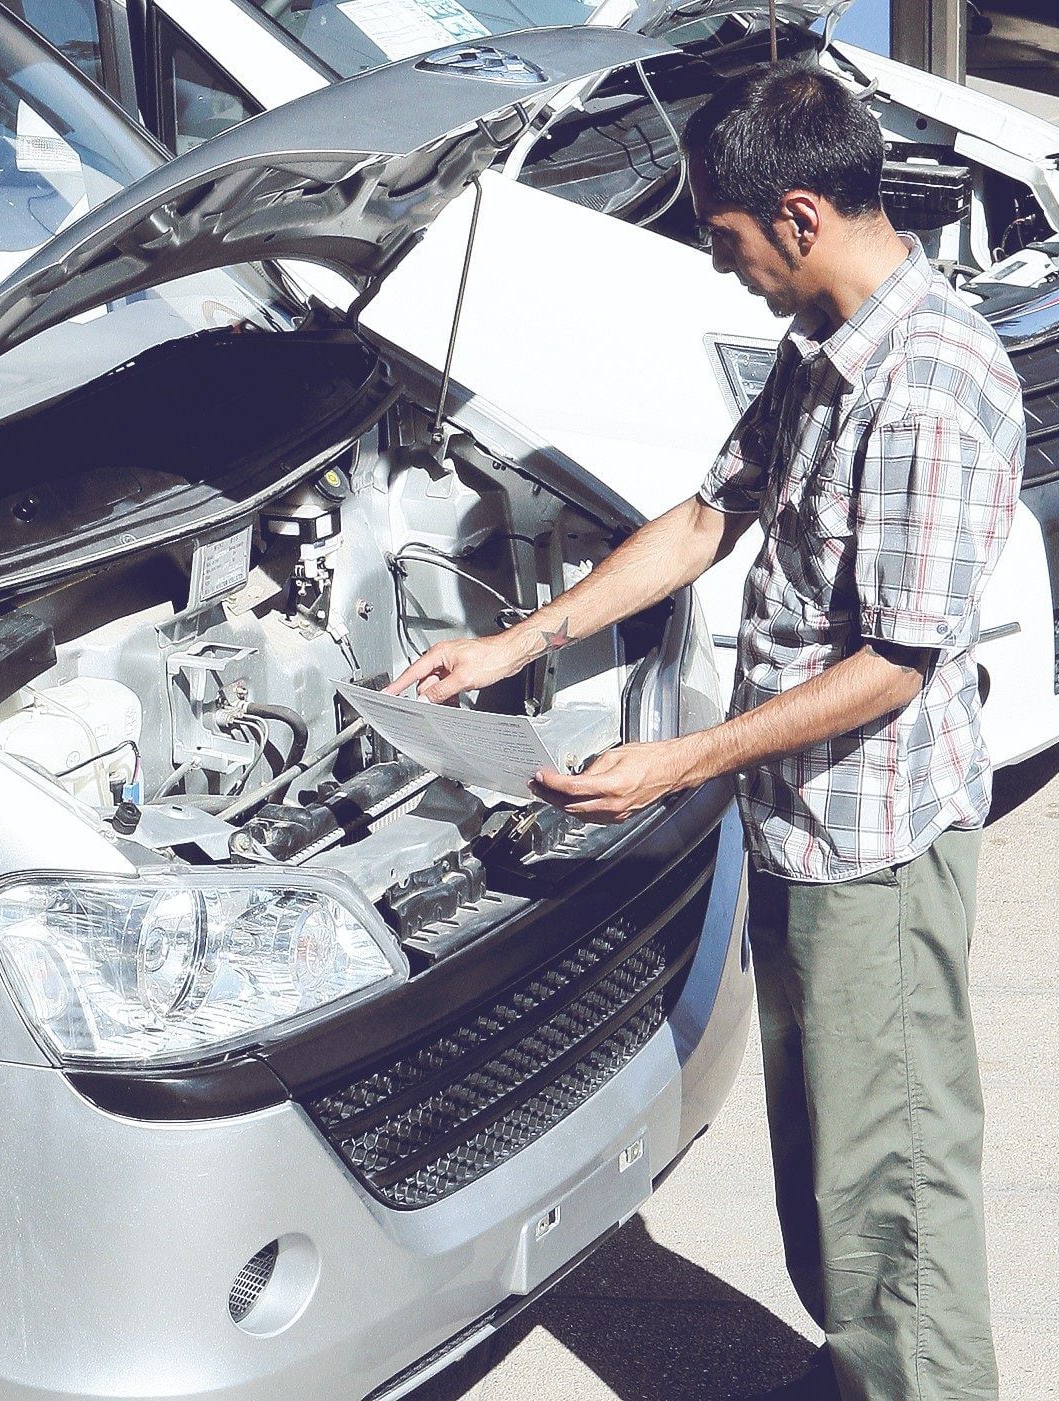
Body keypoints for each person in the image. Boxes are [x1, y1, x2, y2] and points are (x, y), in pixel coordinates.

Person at [389, 59, 1024, 1401]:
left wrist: (674, 762)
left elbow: (892, 664)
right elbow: (704, 515)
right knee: (828, 1166)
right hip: (801, 825)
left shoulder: (925, 385)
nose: (720, 265)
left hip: (874, 857)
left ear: (797, 214)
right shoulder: (821, 353)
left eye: (724, 240)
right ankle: (860, 1373)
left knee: (890, 1186)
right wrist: (514, 640)